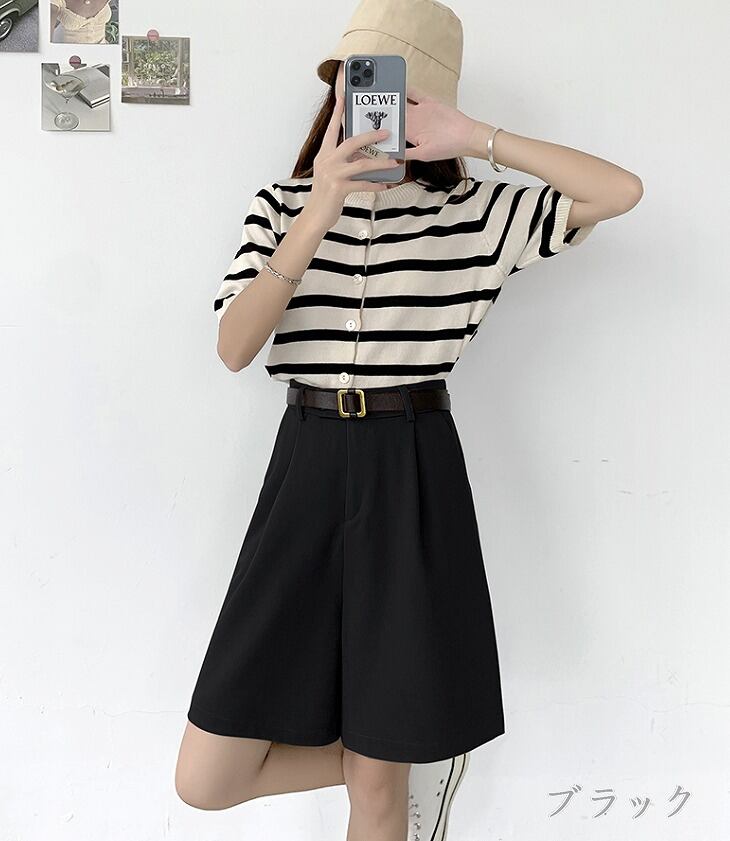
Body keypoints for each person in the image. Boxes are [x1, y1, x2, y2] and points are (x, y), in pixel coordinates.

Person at [174, 1, 643, 839]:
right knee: (206, 779)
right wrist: (320, 209)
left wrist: (477, 138)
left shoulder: (472, 214)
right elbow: (235, 346)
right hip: (305, 465)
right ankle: (402, 750)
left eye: (395, 93)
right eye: (356, 86)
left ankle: (393, 754)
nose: (371, 109)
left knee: (378, 791)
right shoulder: (282, 204)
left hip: (412, 467)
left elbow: (620, 191)